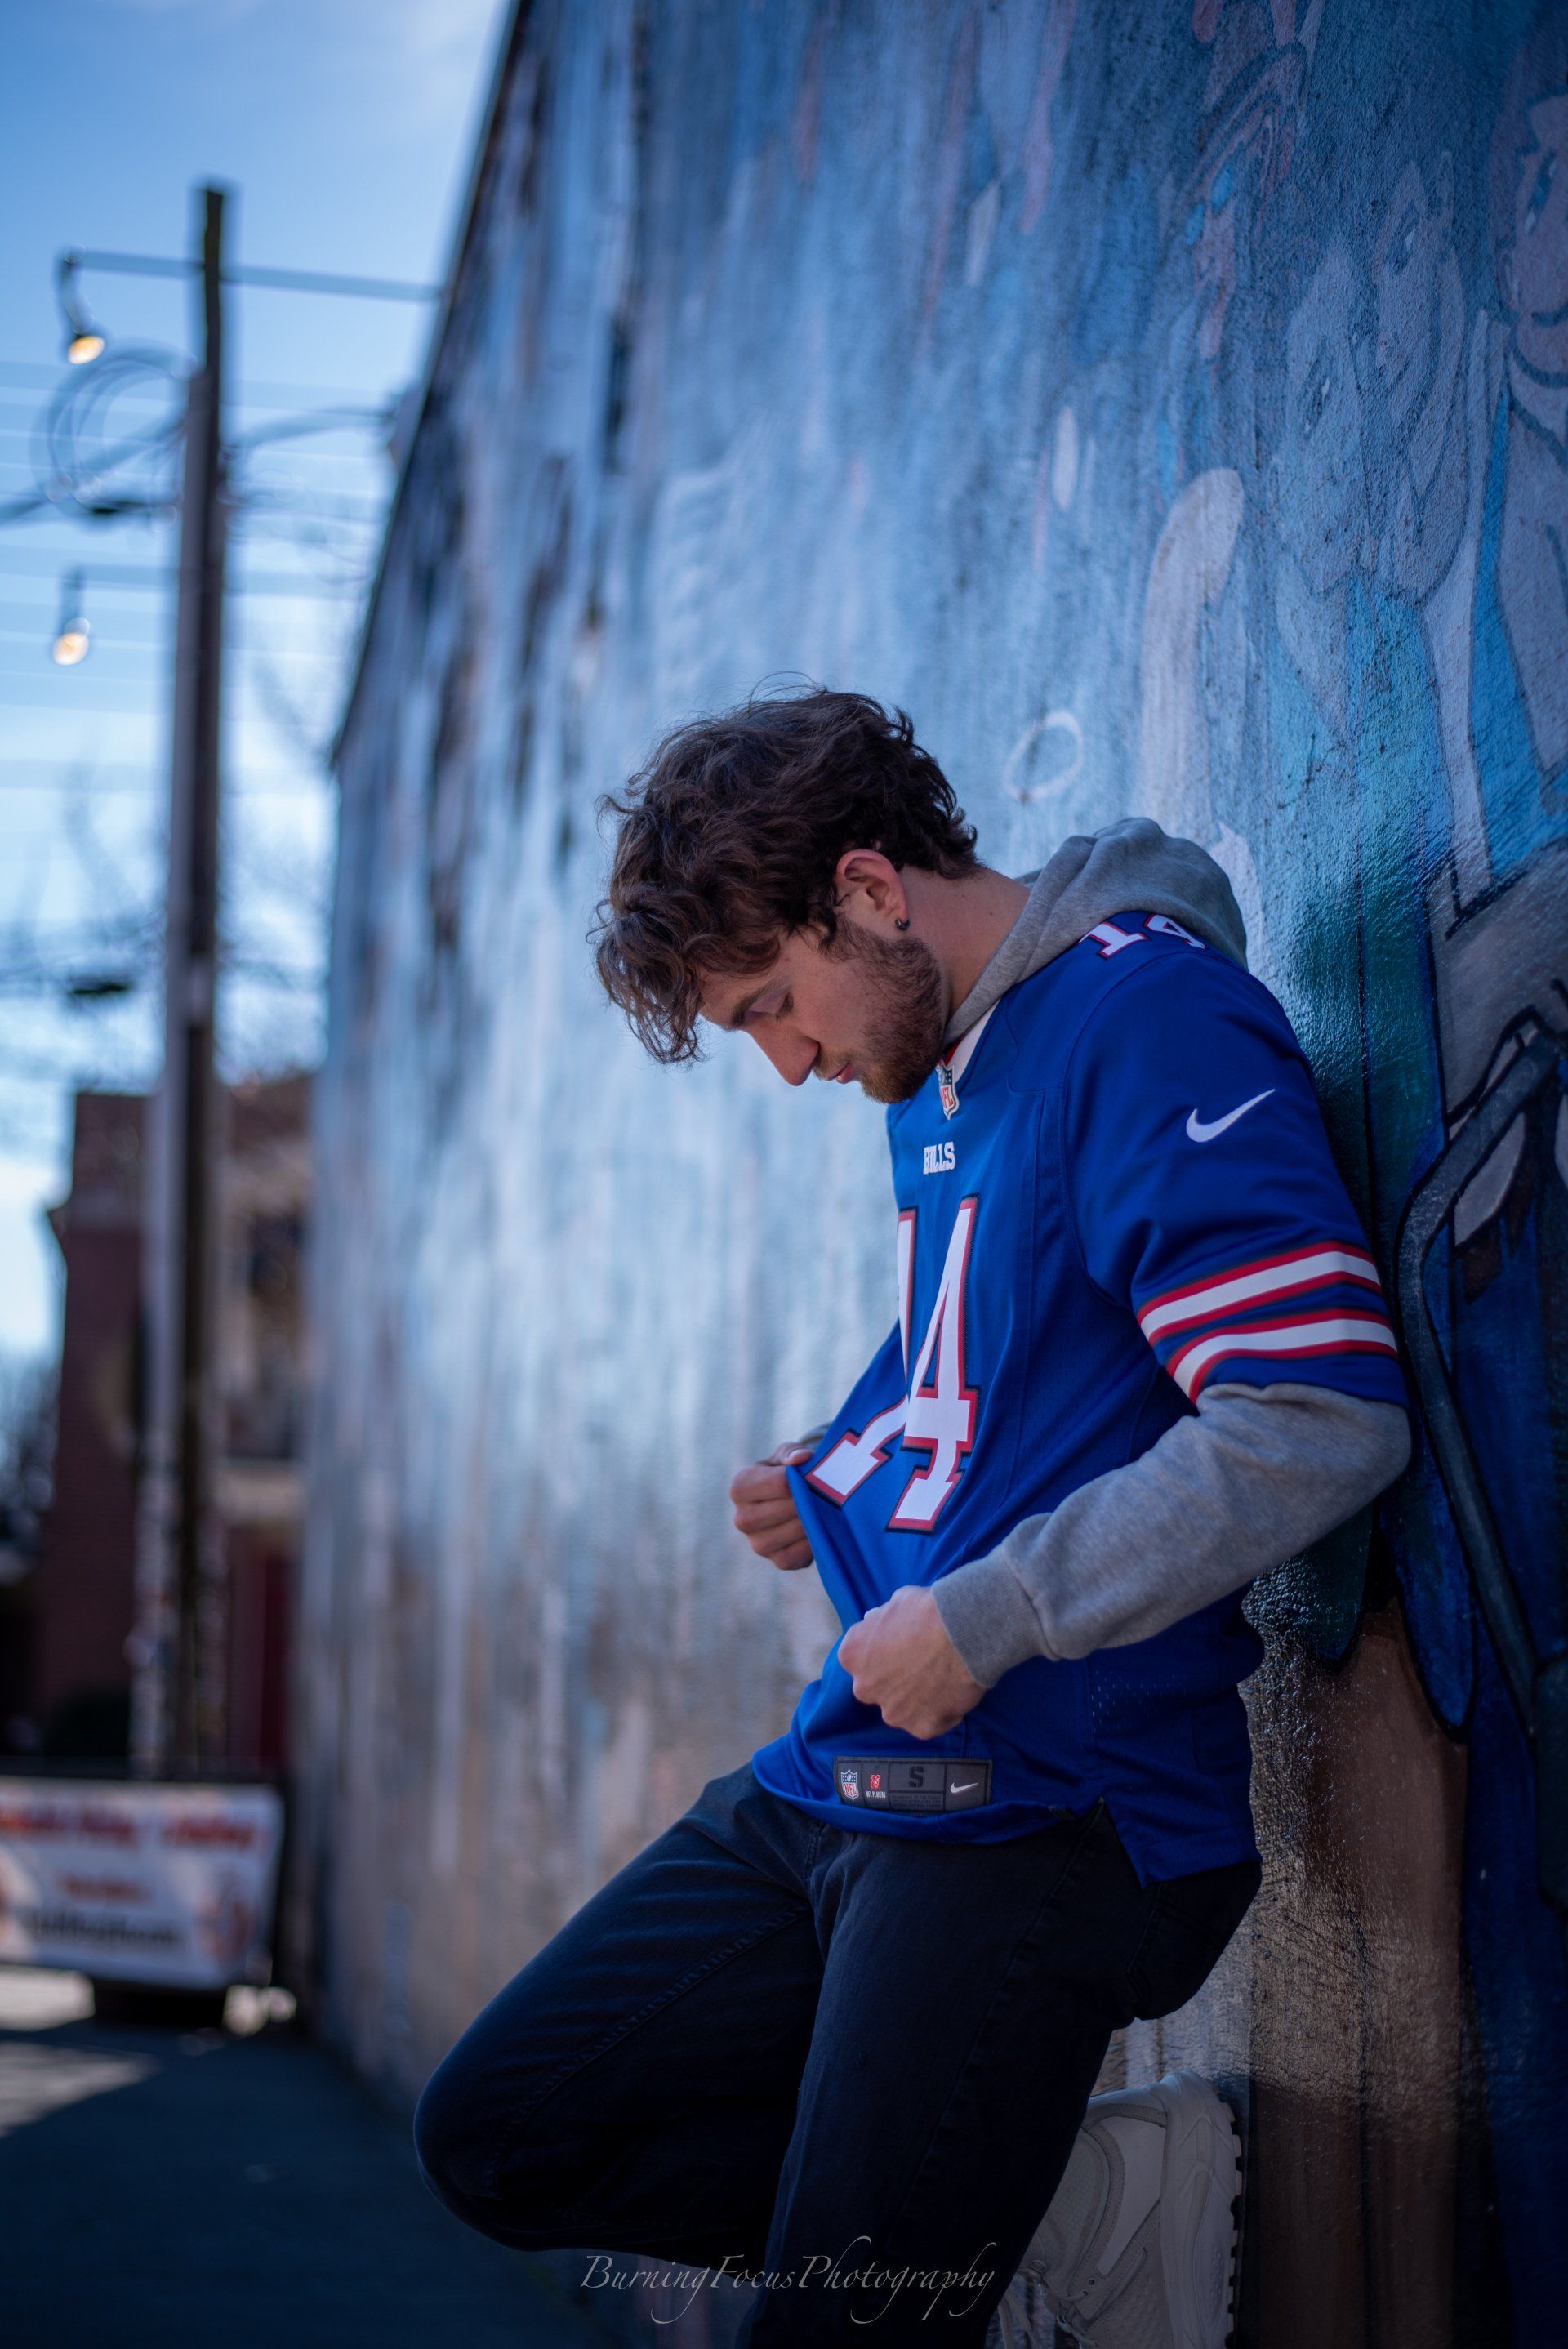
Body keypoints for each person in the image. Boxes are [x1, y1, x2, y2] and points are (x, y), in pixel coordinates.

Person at [412, 689, 1411, 2347]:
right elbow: (1013, 1362)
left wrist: (992, 1611)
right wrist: (839, 1459)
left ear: (871, 887)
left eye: (774, 1005)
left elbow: (1317, 1412)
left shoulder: (1146, 1019)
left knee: (823, 2324)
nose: (789, 1061)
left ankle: (977, 2229)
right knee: (498, 2134)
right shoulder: (944, 1072)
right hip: (849, 1770)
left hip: (1049, 1809)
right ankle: (1064, 2211)